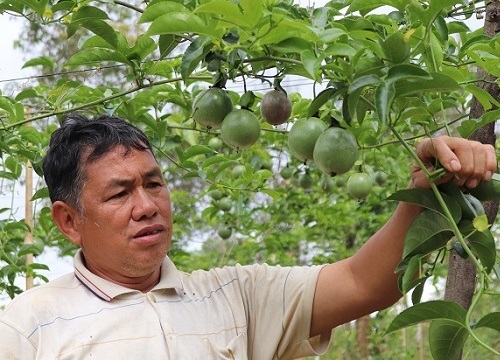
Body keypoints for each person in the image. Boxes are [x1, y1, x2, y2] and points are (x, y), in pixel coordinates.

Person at [0, 113, 496, 360]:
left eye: (154, 183)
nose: (147, 206)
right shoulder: (28, 327)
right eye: (119, 194)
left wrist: (425, 190)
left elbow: (366, 284)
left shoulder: (238, 295)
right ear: (67, 221)